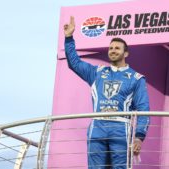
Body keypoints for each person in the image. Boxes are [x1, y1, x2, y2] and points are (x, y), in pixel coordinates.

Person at [64, 16, 150, 169]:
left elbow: (143, 109)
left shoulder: (136, 78)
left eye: (117, 48)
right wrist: (69, 38)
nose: (112, 51)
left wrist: (139, 137)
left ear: (126, 53)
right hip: (97, 127)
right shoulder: (96, 72)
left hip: (121, 129)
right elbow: (74, 63)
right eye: (110, 48)